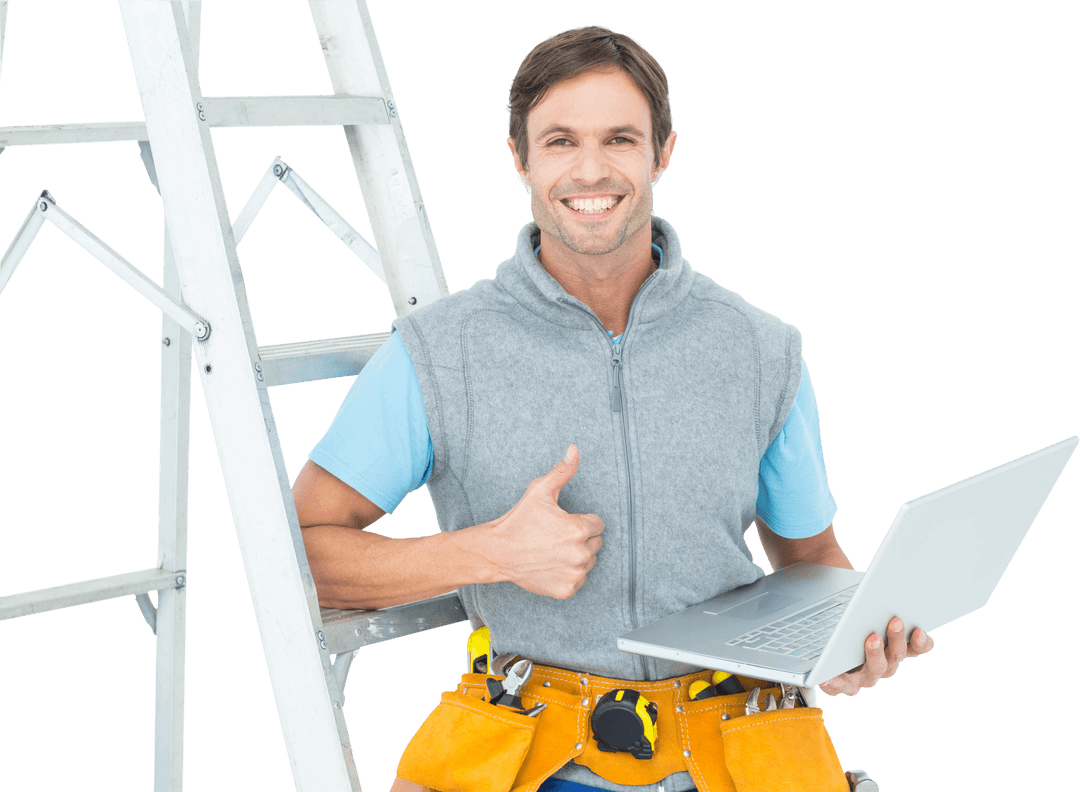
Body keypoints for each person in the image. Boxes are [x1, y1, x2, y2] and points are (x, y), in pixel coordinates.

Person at [292, 25, 933, 792]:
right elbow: (302, 551)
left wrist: (853, 636)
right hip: (534, 752)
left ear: (661, 152)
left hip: (746, 751)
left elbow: (810, 556)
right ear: (519, 159)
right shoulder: (438, 350)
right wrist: (491, 552)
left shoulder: (762, 348)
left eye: (620, 139)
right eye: (560, 141)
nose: (590, 169)